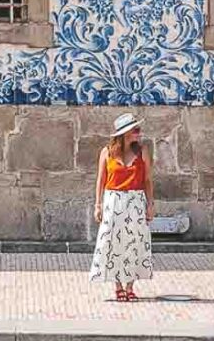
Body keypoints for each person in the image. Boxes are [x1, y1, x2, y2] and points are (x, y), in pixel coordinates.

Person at [88, 111, 154, 302]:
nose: (138, 133)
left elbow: (148, 180)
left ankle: (130, 286)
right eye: (135, 130)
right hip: (113, 200)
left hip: (135, 201)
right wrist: (98, 204)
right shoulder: (107, 152)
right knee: (113, 242)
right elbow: (101, 180)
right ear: (125, 133)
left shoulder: (142, 152)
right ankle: (118, 285)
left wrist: (150, 204)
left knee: (134, 243)